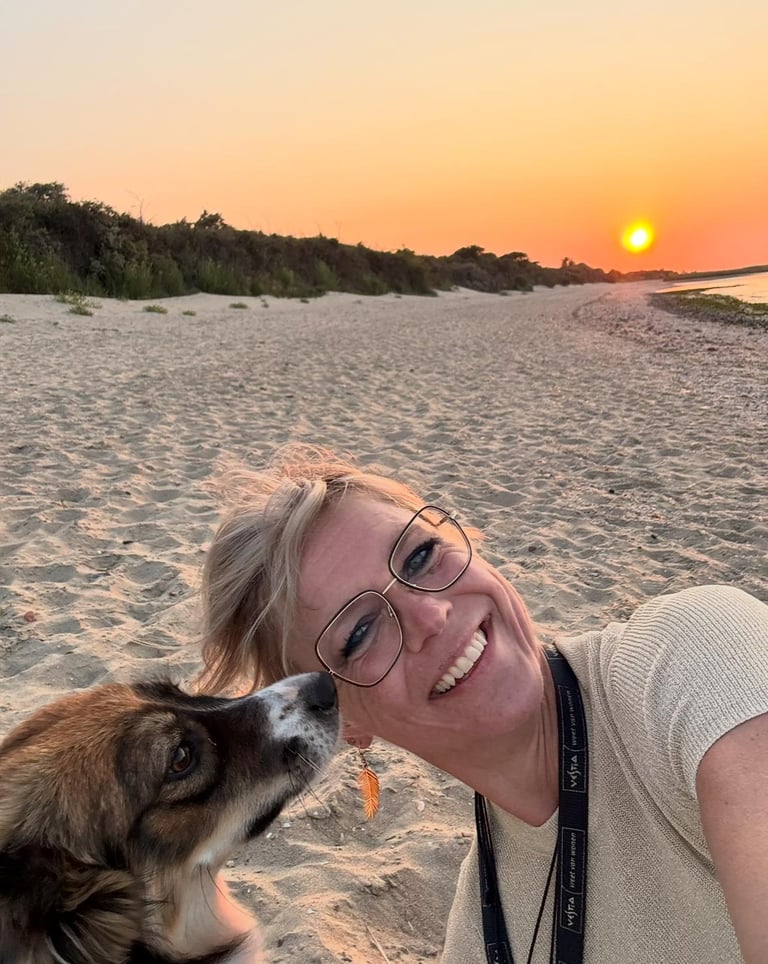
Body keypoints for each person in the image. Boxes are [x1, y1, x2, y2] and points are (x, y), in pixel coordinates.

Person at [197, 443, 768, 964]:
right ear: (345, 723)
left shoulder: (692, 659)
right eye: (360, 633)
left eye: (420, 556)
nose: (431, 615)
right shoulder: (482, 933)